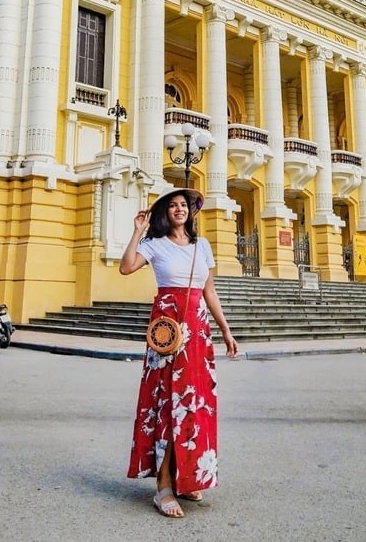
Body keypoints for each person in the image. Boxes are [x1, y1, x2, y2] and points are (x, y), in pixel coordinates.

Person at [120, 187, 239, 519]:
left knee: (195, 406)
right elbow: (126, 268)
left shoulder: (203, 246)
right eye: (172, 206)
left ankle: (187, 478)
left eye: (183, 205)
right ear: (164, 213)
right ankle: (163, 487)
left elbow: (209, 291)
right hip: (168, 332)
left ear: (191, 211)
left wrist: (226, 330)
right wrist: (138, 230)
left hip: (198, 333)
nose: (178, 209)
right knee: (169, 406)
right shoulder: (155, 245)